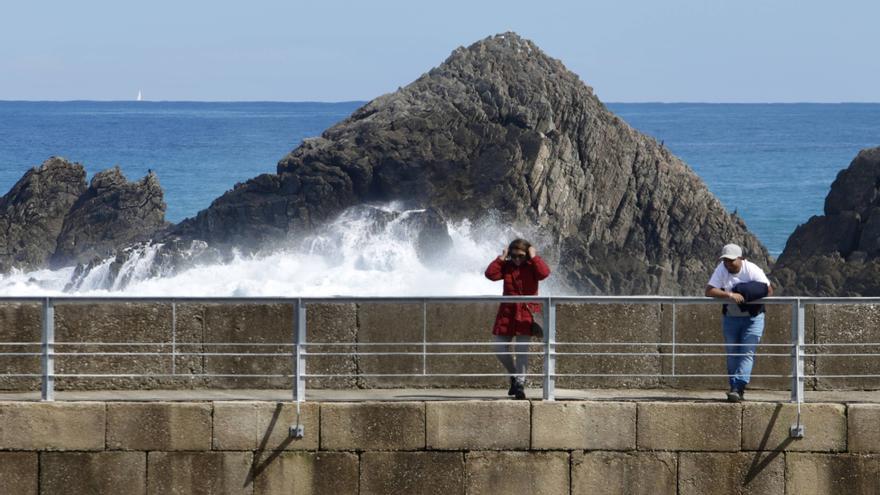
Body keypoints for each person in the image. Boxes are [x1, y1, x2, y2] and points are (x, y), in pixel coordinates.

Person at [704, 243, 773, 402]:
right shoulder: (721, 269)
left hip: (753, 318)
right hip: (731, 318)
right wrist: (729, 295)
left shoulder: (752, 269)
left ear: (741, 258)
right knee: (732, 353)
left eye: (731, 260)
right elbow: (709, 291)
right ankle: (734, 388)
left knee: (747, 352)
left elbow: (768, 290)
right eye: (725, 260)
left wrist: (746, 293)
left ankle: (738, 387)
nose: (728, 263)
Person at [485, 239, 551, 400]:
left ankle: (520, 384)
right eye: (513, 256)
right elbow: (490, 275)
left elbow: (544, 273)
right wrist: (502, 257)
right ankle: (514, 376)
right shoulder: (507, 266)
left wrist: (534, 257)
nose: (517, 259)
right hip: (507, 312)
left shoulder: (532, 266)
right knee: (499, 348)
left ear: (527, 255)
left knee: (522, 351)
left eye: (521, 256)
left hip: (526, 313)